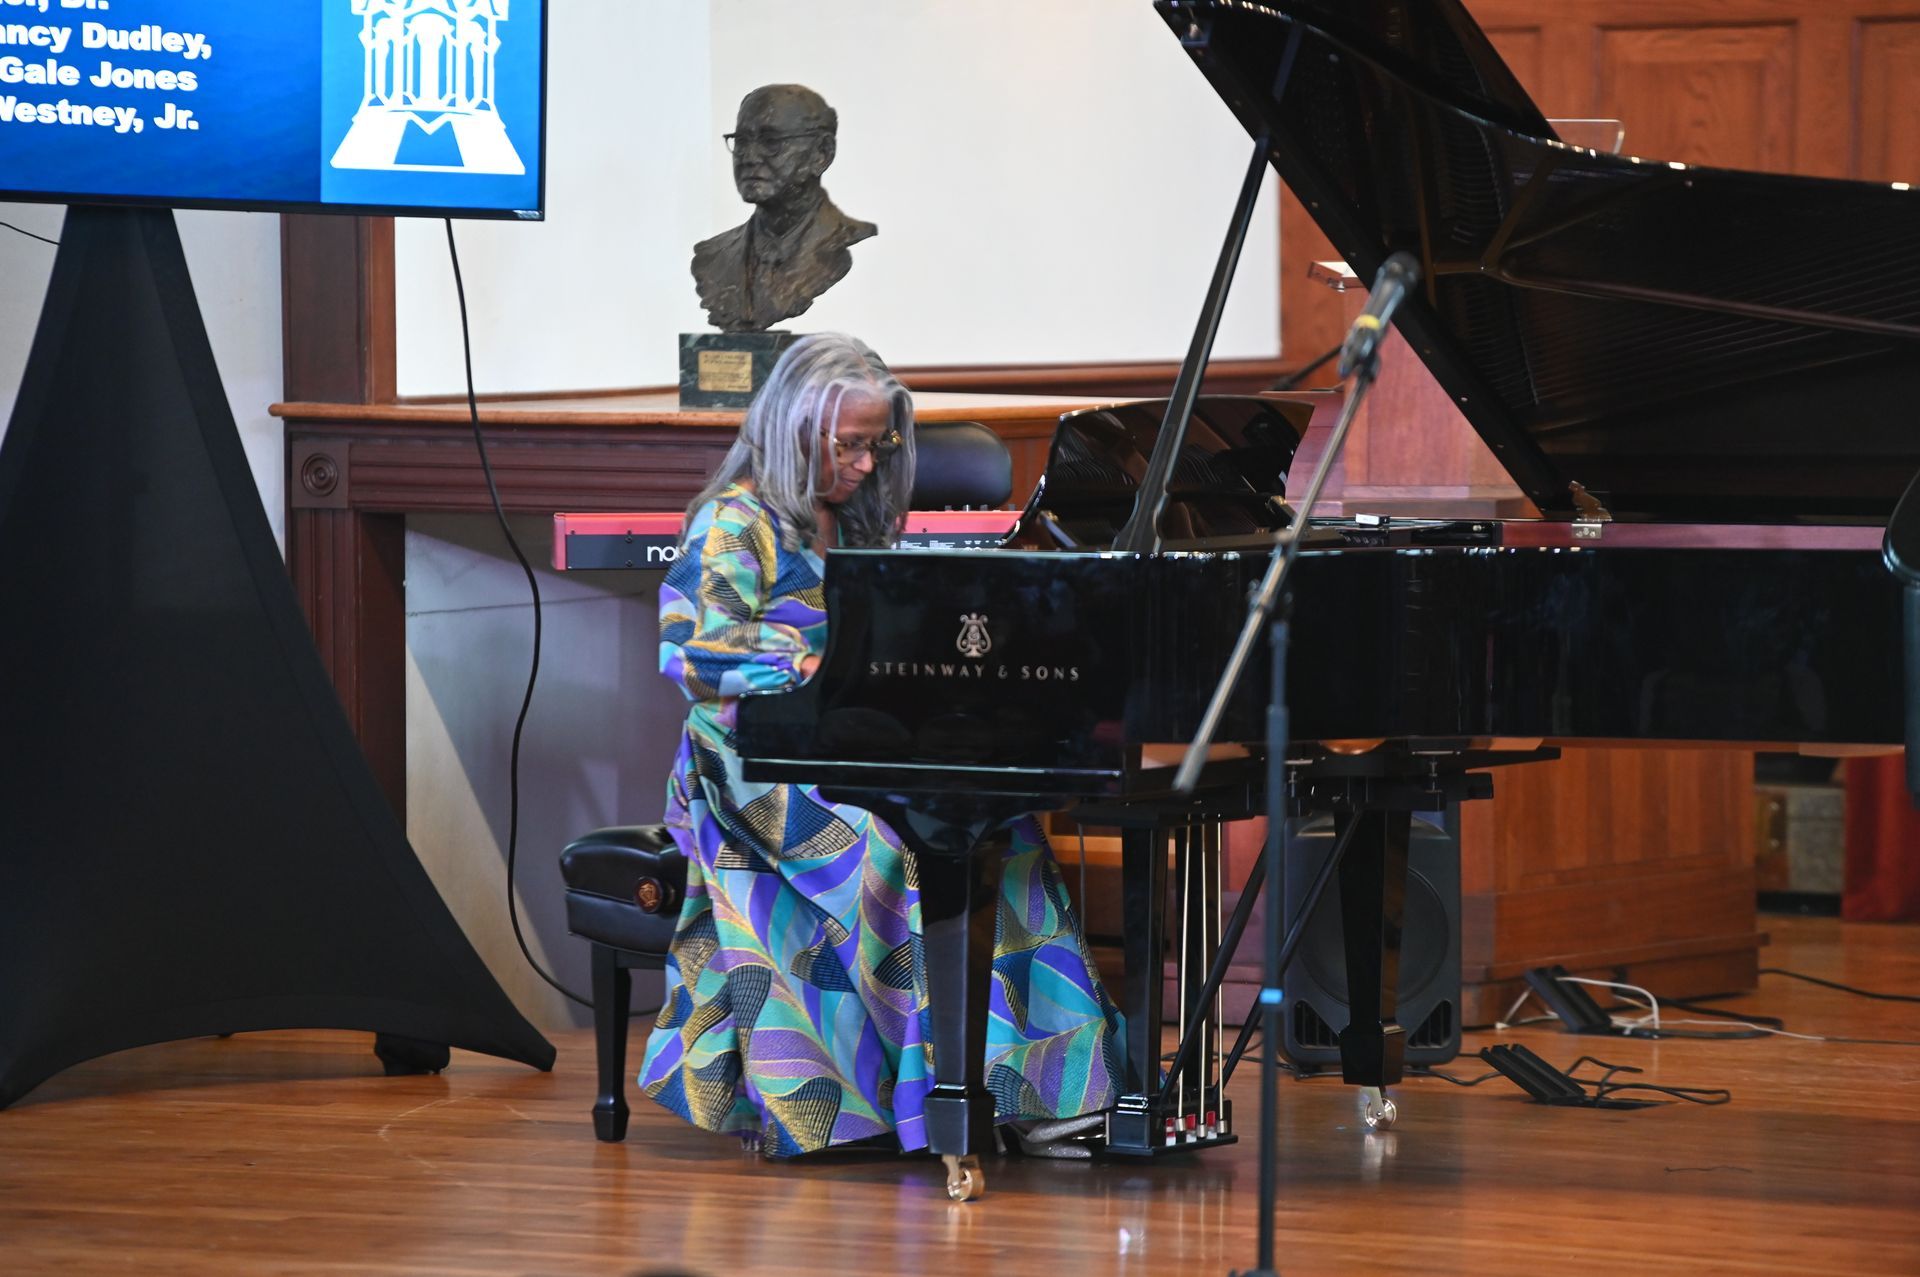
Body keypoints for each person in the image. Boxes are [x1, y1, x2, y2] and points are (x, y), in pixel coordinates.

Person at [638, 333, 1123, 1158]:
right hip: (755, 761)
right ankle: (914, 1096)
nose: (866, 464)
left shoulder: (854, 520)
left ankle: (1036, 1087)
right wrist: (818, 666)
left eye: (877, 445)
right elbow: (688, 656)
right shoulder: (735, 522)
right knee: (897, 851)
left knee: (999, 834)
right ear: (793, 429)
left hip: (845, 746)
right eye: (849, 445)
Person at [692, 85, 878, 333]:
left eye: (771, 142)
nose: (749, 157)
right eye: (742, 141)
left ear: (821, 154)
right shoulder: (714, 257)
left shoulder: (841, 242)